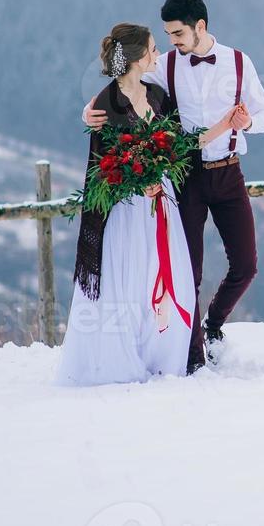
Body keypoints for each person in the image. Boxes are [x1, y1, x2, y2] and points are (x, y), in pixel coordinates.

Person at [84, 0, 264, 373]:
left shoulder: (239, 62)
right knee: (189, 273)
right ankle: (192, 356)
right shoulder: (165, 65)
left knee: (247, 264)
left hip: (229, 171)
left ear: (200, 26)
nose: (172, 41)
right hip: (185, 178)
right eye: (168, 35)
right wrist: (88, 110)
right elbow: (124, 85)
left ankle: (214, 325)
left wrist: (248, 122)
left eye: (177, 33)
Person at [58, 23, 197, 385]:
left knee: (162, 274)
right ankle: (120, 358)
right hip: (126, 209)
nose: (157, 54)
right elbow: (106, 163)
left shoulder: (156, 95)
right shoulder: (106, 103)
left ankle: (160, 355)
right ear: (136, 58)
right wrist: (139, 180)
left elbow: (176, 141)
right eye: (152, 48)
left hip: (160, 204)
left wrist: (159, 174)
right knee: (129, 277)